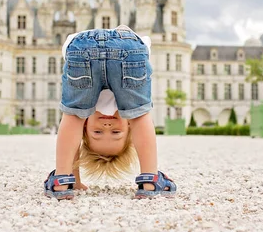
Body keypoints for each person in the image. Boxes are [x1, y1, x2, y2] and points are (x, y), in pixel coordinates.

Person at [44, 25, 177, 200]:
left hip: (84, 46)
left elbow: (72, 139)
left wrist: (73, 177)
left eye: (98, 132)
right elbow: (75, 134)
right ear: (129, 127)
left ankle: (62, 179)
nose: (107, 125)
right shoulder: (128, 112)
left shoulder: (83, 116)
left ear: (85, 127)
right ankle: (149, 179)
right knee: (139, 116)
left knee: (74, 116)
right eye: (115, 132)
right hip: (122, 47)